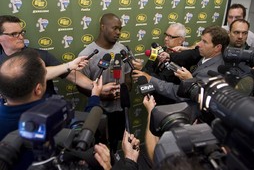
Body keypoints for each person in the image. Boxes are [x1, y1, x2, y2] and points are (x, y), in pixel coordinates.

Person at [0, 15, 95, 98]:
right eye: (14, 34)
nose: (21, 37)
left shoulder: (41, 55)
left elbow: (71, 75)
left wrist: (96, 87)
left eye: (21, 32)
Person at [78, 13, 132, 154]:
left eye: (120, 29)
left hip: (119, 110)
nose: (118, 33)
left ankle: (114, 157)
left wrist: (125, 90)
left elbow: (127, 76)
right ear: (103, 27)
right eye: (114, 28)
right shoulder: (87, 54)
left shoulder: (122, 50)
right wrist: (100, 95)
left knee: (116, 141)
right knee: (99, 146)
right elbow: (80, 85)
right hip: (99, 110)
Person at [133, 26, 229, 103]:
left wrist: (149, 78)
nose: (199, 44)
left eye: (204, 42)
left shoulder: (212, 71)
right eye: (201, 40)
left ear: (217, 47)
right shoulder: (205, 56)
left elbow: (180, 93)